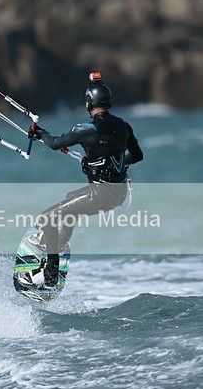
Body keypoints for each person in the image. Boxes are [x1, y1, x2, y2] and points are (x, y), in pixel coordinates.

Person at [28, 71, 144, 286]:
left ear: (89, 102)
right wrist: (111, 165)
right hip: (117, 195)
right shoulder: (124, 127)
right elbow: (137, 156)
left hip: (99, 195)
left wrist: (40, 134)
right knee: (71, 198)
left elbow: (54, 143)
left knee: (47, 218)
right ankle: (60, 242)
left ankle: (50, 273)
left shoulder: (86, 129)